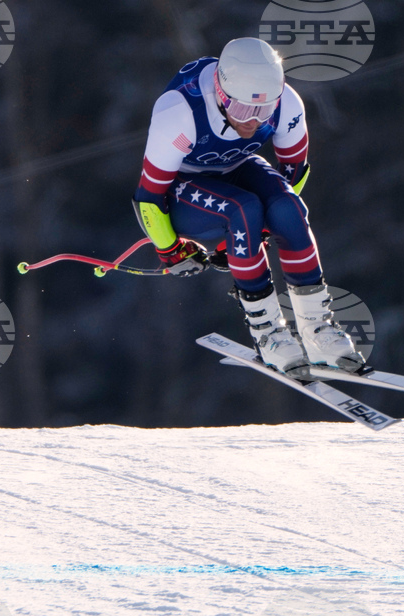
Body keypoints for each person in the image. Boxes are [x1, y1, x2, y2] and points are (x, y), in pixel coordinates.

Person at [133, 37, 363, 377]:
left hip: (237, 167)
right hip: (180, 188)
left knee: (288, 208)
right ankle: (269, 333)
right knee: (243, 210)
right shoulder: (180, 112)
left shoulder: (288, 105)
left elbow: (293, 177)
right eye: (242, 110)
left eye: (263, 110)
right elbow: (149, 197)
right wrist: (171, 249)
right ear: (221, 94)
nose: (252, 122)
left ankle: (318, 328)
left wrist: (262, 232)